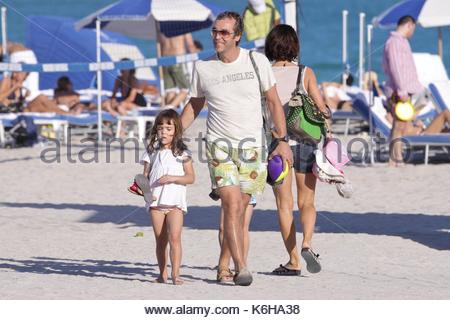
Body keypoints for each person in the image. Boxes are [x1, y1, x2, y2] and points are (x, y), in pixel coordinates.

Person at [181, 11, 292, 286]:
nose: (218, 37)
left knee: (240, 209)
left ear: (237, 36)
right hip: (219, 146)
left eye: (224, 33)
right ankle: (241, 267)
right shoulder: (203, 67)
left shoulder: (257, 61)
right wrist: (172, 134)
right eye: (215, 32)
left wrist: (282, 141)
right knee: (231, 203)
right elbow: (195, 104)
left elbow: (274, 103)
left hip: (254, 147)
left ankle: (222, 265)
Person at [265, 24, 331, 276]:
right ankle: (307, 244)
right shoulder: (305, 72)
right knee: (307, 201)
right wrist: (327, 113)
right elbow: (322, 109)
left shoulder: (264, 73)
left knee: (284, 205)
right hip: (305, 144)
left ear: (270, 46)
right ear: (294, 46)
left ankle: (293, 261)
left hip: (276, 145)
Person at [135, 109, 195, 285]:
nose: (164, 132)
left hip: (175, 202)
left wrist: (172, 178)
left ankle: (176, 274)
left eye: (168, 128)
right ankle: (163, 274)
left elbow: (191, 177)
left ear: (176, 130)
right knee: (160, 240)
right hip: (156, 203)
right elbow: (143, 177)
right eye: (160, 128)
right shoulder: (151, 151)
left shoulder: (183, 153)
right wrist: (146, 193)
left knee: (175, 238)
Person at [382, 15, 430, 167]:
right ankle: (397, 158)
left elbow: (386, 66)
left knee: (399, 124)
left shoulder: (399, 42)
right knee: (400, 125)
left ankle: (392, 159)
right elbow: (396, 68)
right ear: (409, 25)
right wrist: (402, 91)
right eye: (413, 29)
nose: (412, 32)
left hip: (403, 89)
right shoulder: (395, 42)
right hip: (399, 90)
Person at [0, 71, 77, 115]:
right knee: (39, 107)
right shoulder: (7, 80)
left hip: (20, 109)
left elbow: (16, 102)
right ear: (15, 73)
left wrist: (24, 98)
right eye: (24, 73)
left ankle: (64, 113)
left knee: (41, 97)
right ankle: (65, 113)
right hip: (9, 111)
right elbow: (1, 99)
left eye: (26, 74)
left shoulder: (19, 84)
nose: (26, 76)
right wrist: (14, 88)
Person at [159, 33, 197, 109]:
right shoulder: (183, 26)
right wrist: (199, 60)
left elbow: (160, 45)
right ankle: (169, 108)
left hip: (164, 60)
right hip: (177, 59)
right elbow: (191, 46)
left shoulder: (164, 27)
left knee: (170, 91)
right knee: (186, 89)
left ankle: (169, 113)